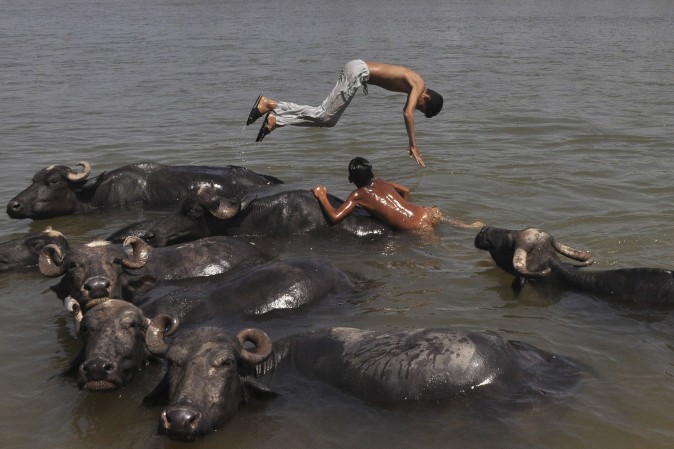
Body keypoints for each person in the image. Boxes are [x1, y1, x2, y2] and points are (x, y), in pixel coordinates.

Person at [245, 60, 443, 167]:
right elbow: (407, 113)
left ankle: (277, 120)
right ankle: (270, 105)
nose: (416, 107)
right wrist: (413, 145)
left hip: (358, 73)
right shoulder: (419, 85)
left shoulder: (417, 85)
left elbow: (406, 108)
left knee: (328, 121)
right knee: (323, 114)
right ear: (426, 99)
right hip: (358, 72)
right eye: (421, 108)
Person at [311, 157, 483, 233]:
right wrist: (401, 207)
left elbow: (334, 217)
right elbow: (405, 190)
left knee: (446, 250)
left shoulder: (358, 194)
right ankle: (469, 226)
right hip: (427, 212)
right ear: (372, 173)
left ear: (350, 179)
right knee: (448, 223)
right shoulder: (381, 181)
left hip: (417, 227)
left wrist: (322, 195)